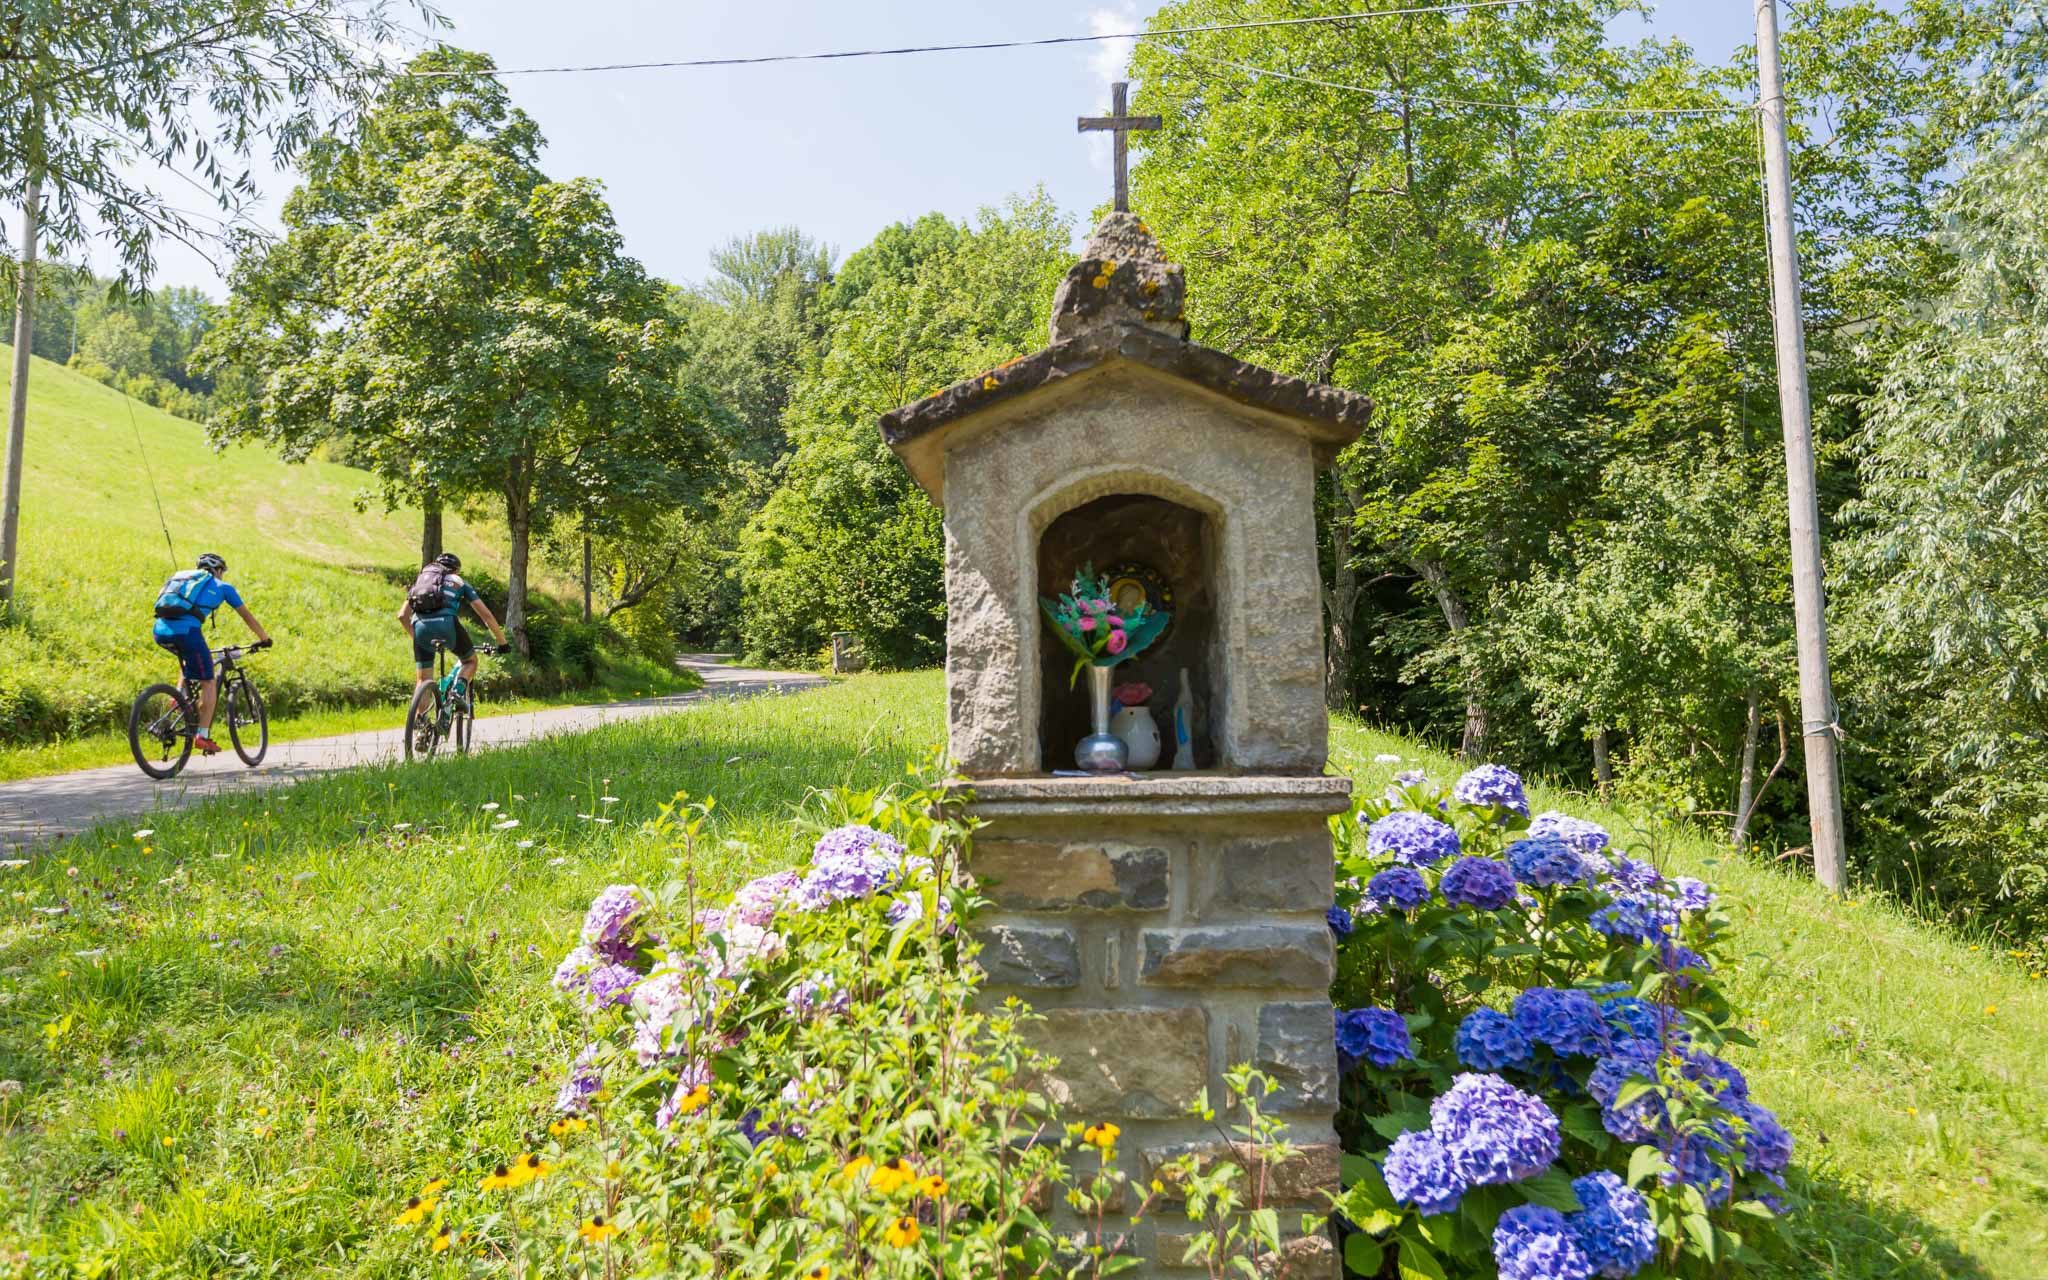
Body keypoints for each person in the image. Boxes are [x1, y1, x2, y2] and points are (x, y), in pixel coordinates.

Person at [151, 552, 272, 755]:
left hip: (160, 630)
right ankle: (202, 736)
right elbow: (247, 617)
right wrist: (264, 638)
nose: (222, 575)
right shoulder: (222, 588)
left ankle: (179, 696)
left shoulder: (183, 581)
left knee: (189, 656)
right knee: (208, 682)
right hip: (187, 631)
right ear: (216, 570)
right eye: (222, 571)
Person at [398, 551, 506, 702]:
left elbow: (402, 616)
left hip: (420, 626)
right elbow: (486, 615)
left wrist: (417, 638)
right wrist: (502, 643)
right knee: (470, 661)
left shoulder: (421, 582)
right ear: (456, 570)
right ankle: (457, 691)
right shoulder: (458, 581)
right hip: (447, 624)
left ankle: (420, 722)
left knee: (422, 681)